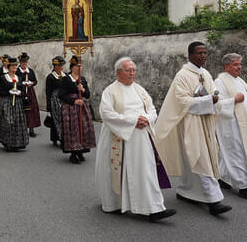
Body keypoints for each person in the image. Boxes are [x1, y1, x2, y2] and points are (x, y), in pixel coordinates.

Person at [155, 41, 232, 215]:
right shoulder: (182, 75)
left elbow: (214, 94)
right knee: (200, 158)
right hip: (190, 122)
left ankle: (186, 191)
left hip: (205, 121)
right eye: (199, 53)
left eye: (205, 52)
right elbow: (182, 101)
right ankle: (214, 202)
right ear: (189, 55)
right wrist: (207, 101)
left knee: (194, 158)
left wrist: (214, 99)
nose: (203, 55)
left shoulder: (205, 73)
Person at [95, 57, 175, 222]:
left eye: (133, 70)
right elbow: (106, 114)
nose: (132, 73)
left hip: (141, 139)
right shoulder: (110, 91)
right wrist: (133, 121)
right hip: (118, 138)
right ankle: (114, 204)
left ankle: (153, 208)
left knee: (145, 171)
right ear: (118, 73)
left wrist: (146, 119)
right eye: (128, 70)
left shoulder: (140, 90)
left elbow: (152, 108)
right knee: (117, 172)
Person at [214, 53, 247, 198]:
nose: (239, 67)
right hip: (230, 123)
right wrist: (234, 99)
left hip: (242, 122)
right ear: (226, 66)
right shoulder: (220, 82)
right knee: (235, 152)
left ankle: (223, 178)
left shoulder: (239, 81)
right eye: (235, 64)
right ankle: (243, 185)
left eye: (240, 64)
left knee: (228, 152)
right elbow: (217, 104)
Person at [59, 55, 95, 164]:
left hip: (82, 108)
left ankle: (81, 150)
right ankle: (73, 153)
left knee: (83, 128)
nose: (78, 68)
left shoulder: (82, 79)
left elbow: (87, 95)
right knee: (73, 129)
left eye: (80, 66)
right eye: (76, 66)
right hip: (70, 108)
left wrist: (82, 89)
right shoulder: (65, 79)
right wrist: (73, 101)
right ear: (71, 67)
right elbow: (61, 95)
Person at [0, 57, 29, 151]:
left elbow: (23, 91)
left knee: (17, 122)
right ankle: (7, 142)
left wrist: (20, 93)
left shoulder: (19, 78)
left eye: (15, 65)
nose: (14, 67)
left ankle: (17, 143)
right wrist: (9, 92)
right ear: (8, 67)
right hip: (6, 102)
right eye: (12, 65)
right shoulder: (3, 78)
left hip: (17, 103)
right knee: (7, 122)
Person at [16, 52, 41, 137]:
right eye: (23, 62)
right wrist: (22, 84)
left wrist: (32, 83)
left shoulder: (30, 71)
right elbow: (15, 81)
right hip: (22, 92)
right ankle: (23, 129)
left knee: (32, 110)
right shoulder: (17, 71)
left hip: (30, 92)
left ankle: (31, 129)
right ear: (20, 62)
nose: (24, 63)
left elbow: (35, 81)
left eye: (26, 62)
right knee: (23, 110)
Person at [45, 56, 66, 146]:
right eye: (59, 65)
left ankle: (61, 136)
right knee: (57, 118)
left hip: (63, 98)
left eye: (61, 65)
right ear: (55, 66)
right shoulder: (50, 77)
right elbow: (48, 92)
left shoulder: (65, 75)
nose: (61, 67)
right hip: (55, 99)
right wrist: (48, 105)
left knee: (64, 118)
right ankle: (58, 137)